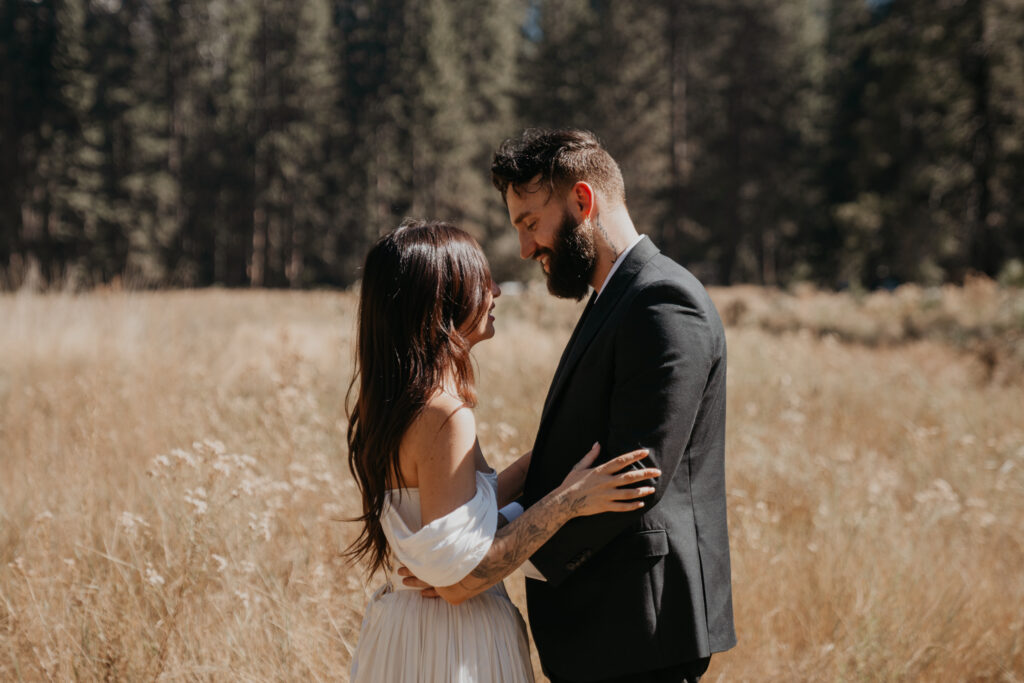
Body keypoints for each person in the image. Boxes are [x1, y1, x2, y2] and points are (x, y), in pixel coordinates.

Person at [406, 129, 737, 682]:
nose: (525, 248)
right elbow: (581, 451)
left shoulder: (662, 301)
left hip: (639, 632)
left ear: (583, 202)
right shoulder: (615, 296)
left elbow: (630, 476)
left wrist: (485, 563)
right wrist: (477, 539)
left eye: (530, 222)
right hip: (601, 630)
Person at [345, 219, 662, 683]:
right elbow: (457, 583)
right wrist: (571, 500)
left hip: (410, 631)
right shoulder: (443, 415)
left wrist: (557, 449)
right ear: (442, 300)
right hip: (452, 642)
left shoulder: (402, 401)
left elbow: (471, 503)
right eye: (479, 280)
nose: (495, 289)